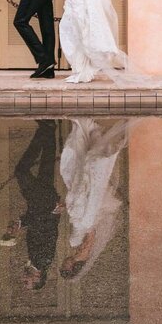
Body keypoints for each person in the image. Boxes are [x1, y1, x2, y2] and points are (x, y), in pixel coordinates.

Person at [57, 118, 133, 280]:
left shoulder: (77, 252)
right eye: (65, 266)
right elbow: (90, 237)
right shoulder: (81, 254)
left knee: (75, 171)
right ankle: (90, 131)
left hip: (84, 217)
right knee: (86, 170)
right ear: (70, 268)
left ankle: (88, 131)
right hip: (86, 217)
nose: (64, 262)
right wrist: (86, 223)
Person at [1, 120, 62, 291]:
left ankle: (49, 129)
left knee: (47, 163)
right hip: (43, 203)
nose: (23, 279)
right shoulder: (43, 259)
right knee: (21, 171)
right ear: (38, 277)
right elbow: (47, 229)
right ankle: (45, 129)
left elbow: (39, 227)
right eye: (27, 282)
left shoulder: (37, 260)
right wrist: (53, 212)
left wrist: (20, 224)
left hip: (44, 203)